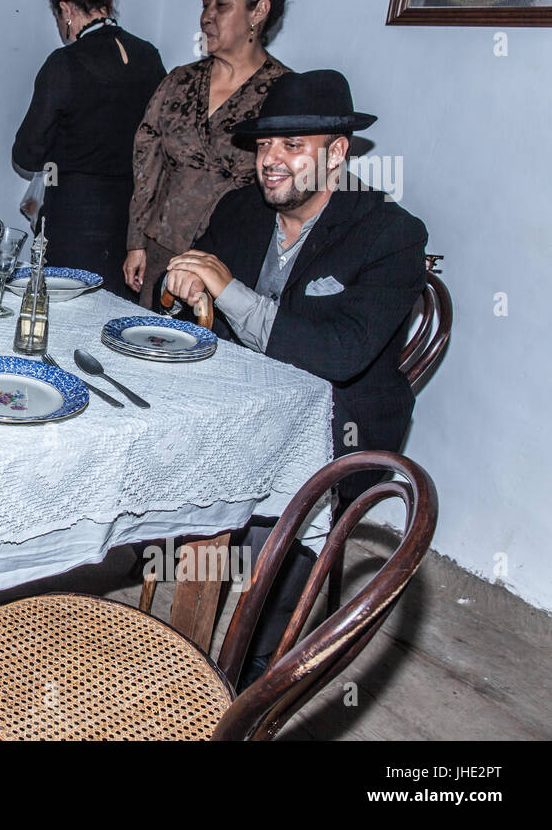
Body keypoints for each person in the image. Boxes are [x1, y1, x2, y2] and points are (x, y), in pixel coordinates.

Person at [163, 70, 428, 681]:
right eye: (262, 147)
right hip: (236, 403)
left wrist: (227, 290)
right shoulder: (238, 211)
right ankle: (179, 637)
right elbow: (181, 298)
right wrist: (177, 285)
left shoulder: (390, 233)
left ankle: (256, 674)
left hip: (336, 426)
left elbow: (342, 354)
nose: (270, 163)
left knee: (272, 560)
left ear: (337, 153)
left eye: (291, 146)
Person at [125, 0, 294, 308]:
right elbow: (146, 165)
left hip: (233, 266)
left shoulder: (285, 93)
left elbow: (305, 183)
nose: (206, 16)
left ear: (259, 11)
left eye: (221, 4)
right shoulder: (179, 82)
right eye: (204, 4)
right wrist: (136, 241)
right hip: (162, 253)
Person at [12, 0, 165, 296]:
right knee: (117, 313)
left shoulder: (65, 63)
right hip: (134, 217)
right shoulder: (149, 57)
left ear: (66, 10)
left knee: (68, 313)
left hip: (75, 216)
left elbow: (26, 151)